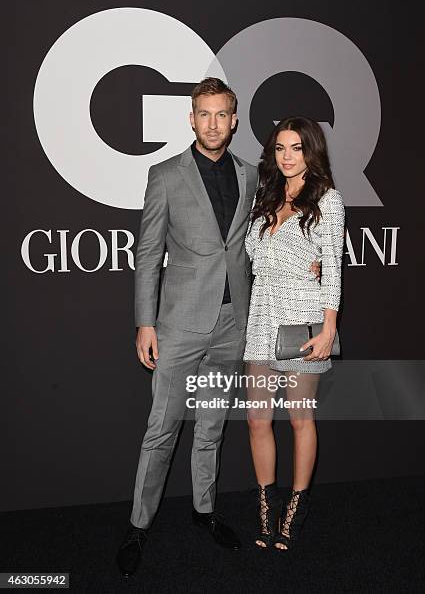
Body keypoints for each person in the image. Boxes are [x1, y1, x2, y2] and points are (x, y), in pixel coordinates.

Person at [116, 78, 259, 578]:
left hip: (230, 325)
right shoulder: (166, 174)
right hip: (177, 326)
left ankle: (204, 512)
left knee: (212, 429)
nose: (213, 123)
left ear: (234, 120)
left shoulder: (250, 175)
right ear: (191, 118)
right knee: (162, 429)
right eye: (204, 113)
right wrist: (145, 322)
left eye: (222, 114)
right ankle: (138, 526)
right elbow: (149, 254)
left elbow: (251, 246)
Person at [243, 117, 345, 551]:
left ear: (311, 151)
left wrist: (328, 328)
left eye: (297, 148)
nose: (287, 156)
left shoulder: (329, 200)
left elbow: (333, 269)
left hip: (302, 324)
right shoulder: (263, 197)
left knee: (300, 419)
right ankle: (267, 506)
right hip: (260, 319)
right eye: (281, 148)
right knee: (256, 419)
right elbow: (251, 253)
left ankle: (295, 509)